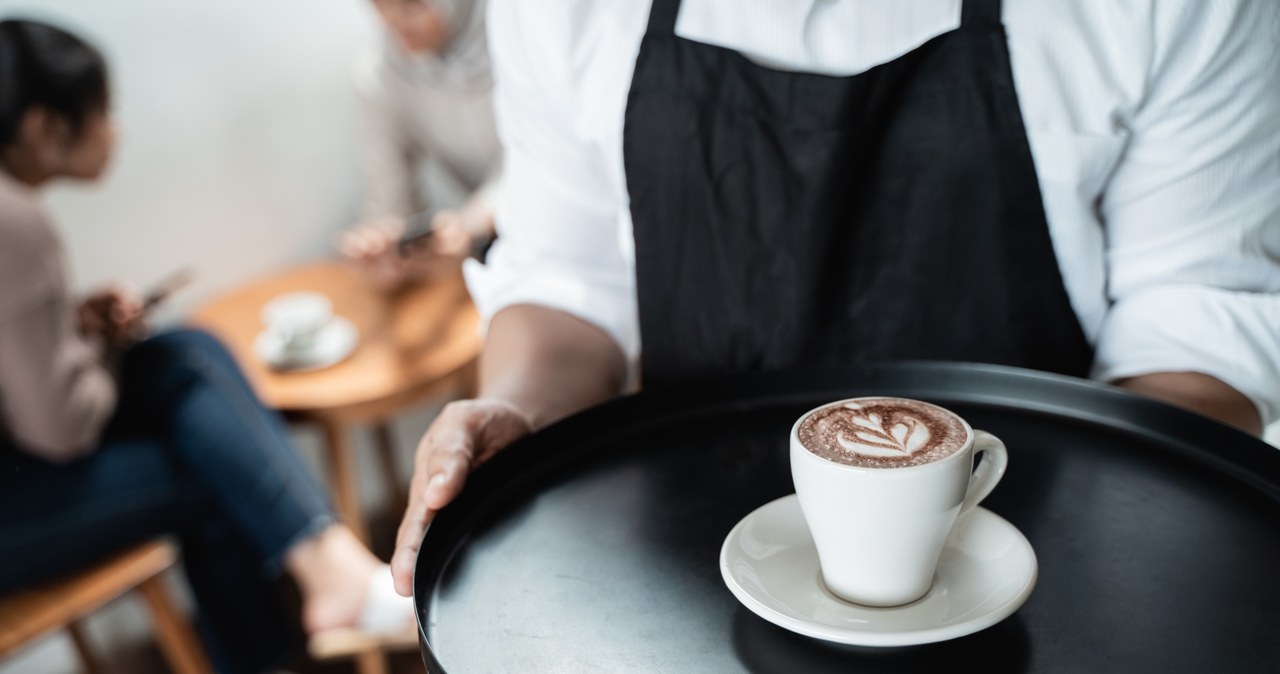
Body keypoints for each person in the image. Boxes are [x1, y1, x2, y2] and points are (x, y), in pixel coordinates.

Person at [388, 0, 1280, 594]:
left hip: (1057, 572)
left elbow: (1197, 311)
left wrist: (1067, 565)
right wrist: (514, 412)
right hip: (681, 584)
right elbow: (568, 281)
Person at [0, 20, 410, 673]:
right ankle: (315, 606)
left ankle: (329, 573)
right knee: (212, 466)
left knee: (185, 353)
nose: (116, 132)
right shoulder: (13, 218)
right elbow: (62, 429)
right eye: (104, 113)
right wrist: (103, 351)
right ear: (46, 127)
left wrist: (74, 330)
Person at [339, 0, 500, 291]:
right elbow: (391, 200)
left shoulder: (522, 44)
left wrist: (474, 220)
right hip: (484, 254)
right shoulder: (384, 74)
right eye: (379, 5)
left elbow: (555, 161)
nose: (396, 22)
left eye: (412, 4)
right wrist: (384, 243)